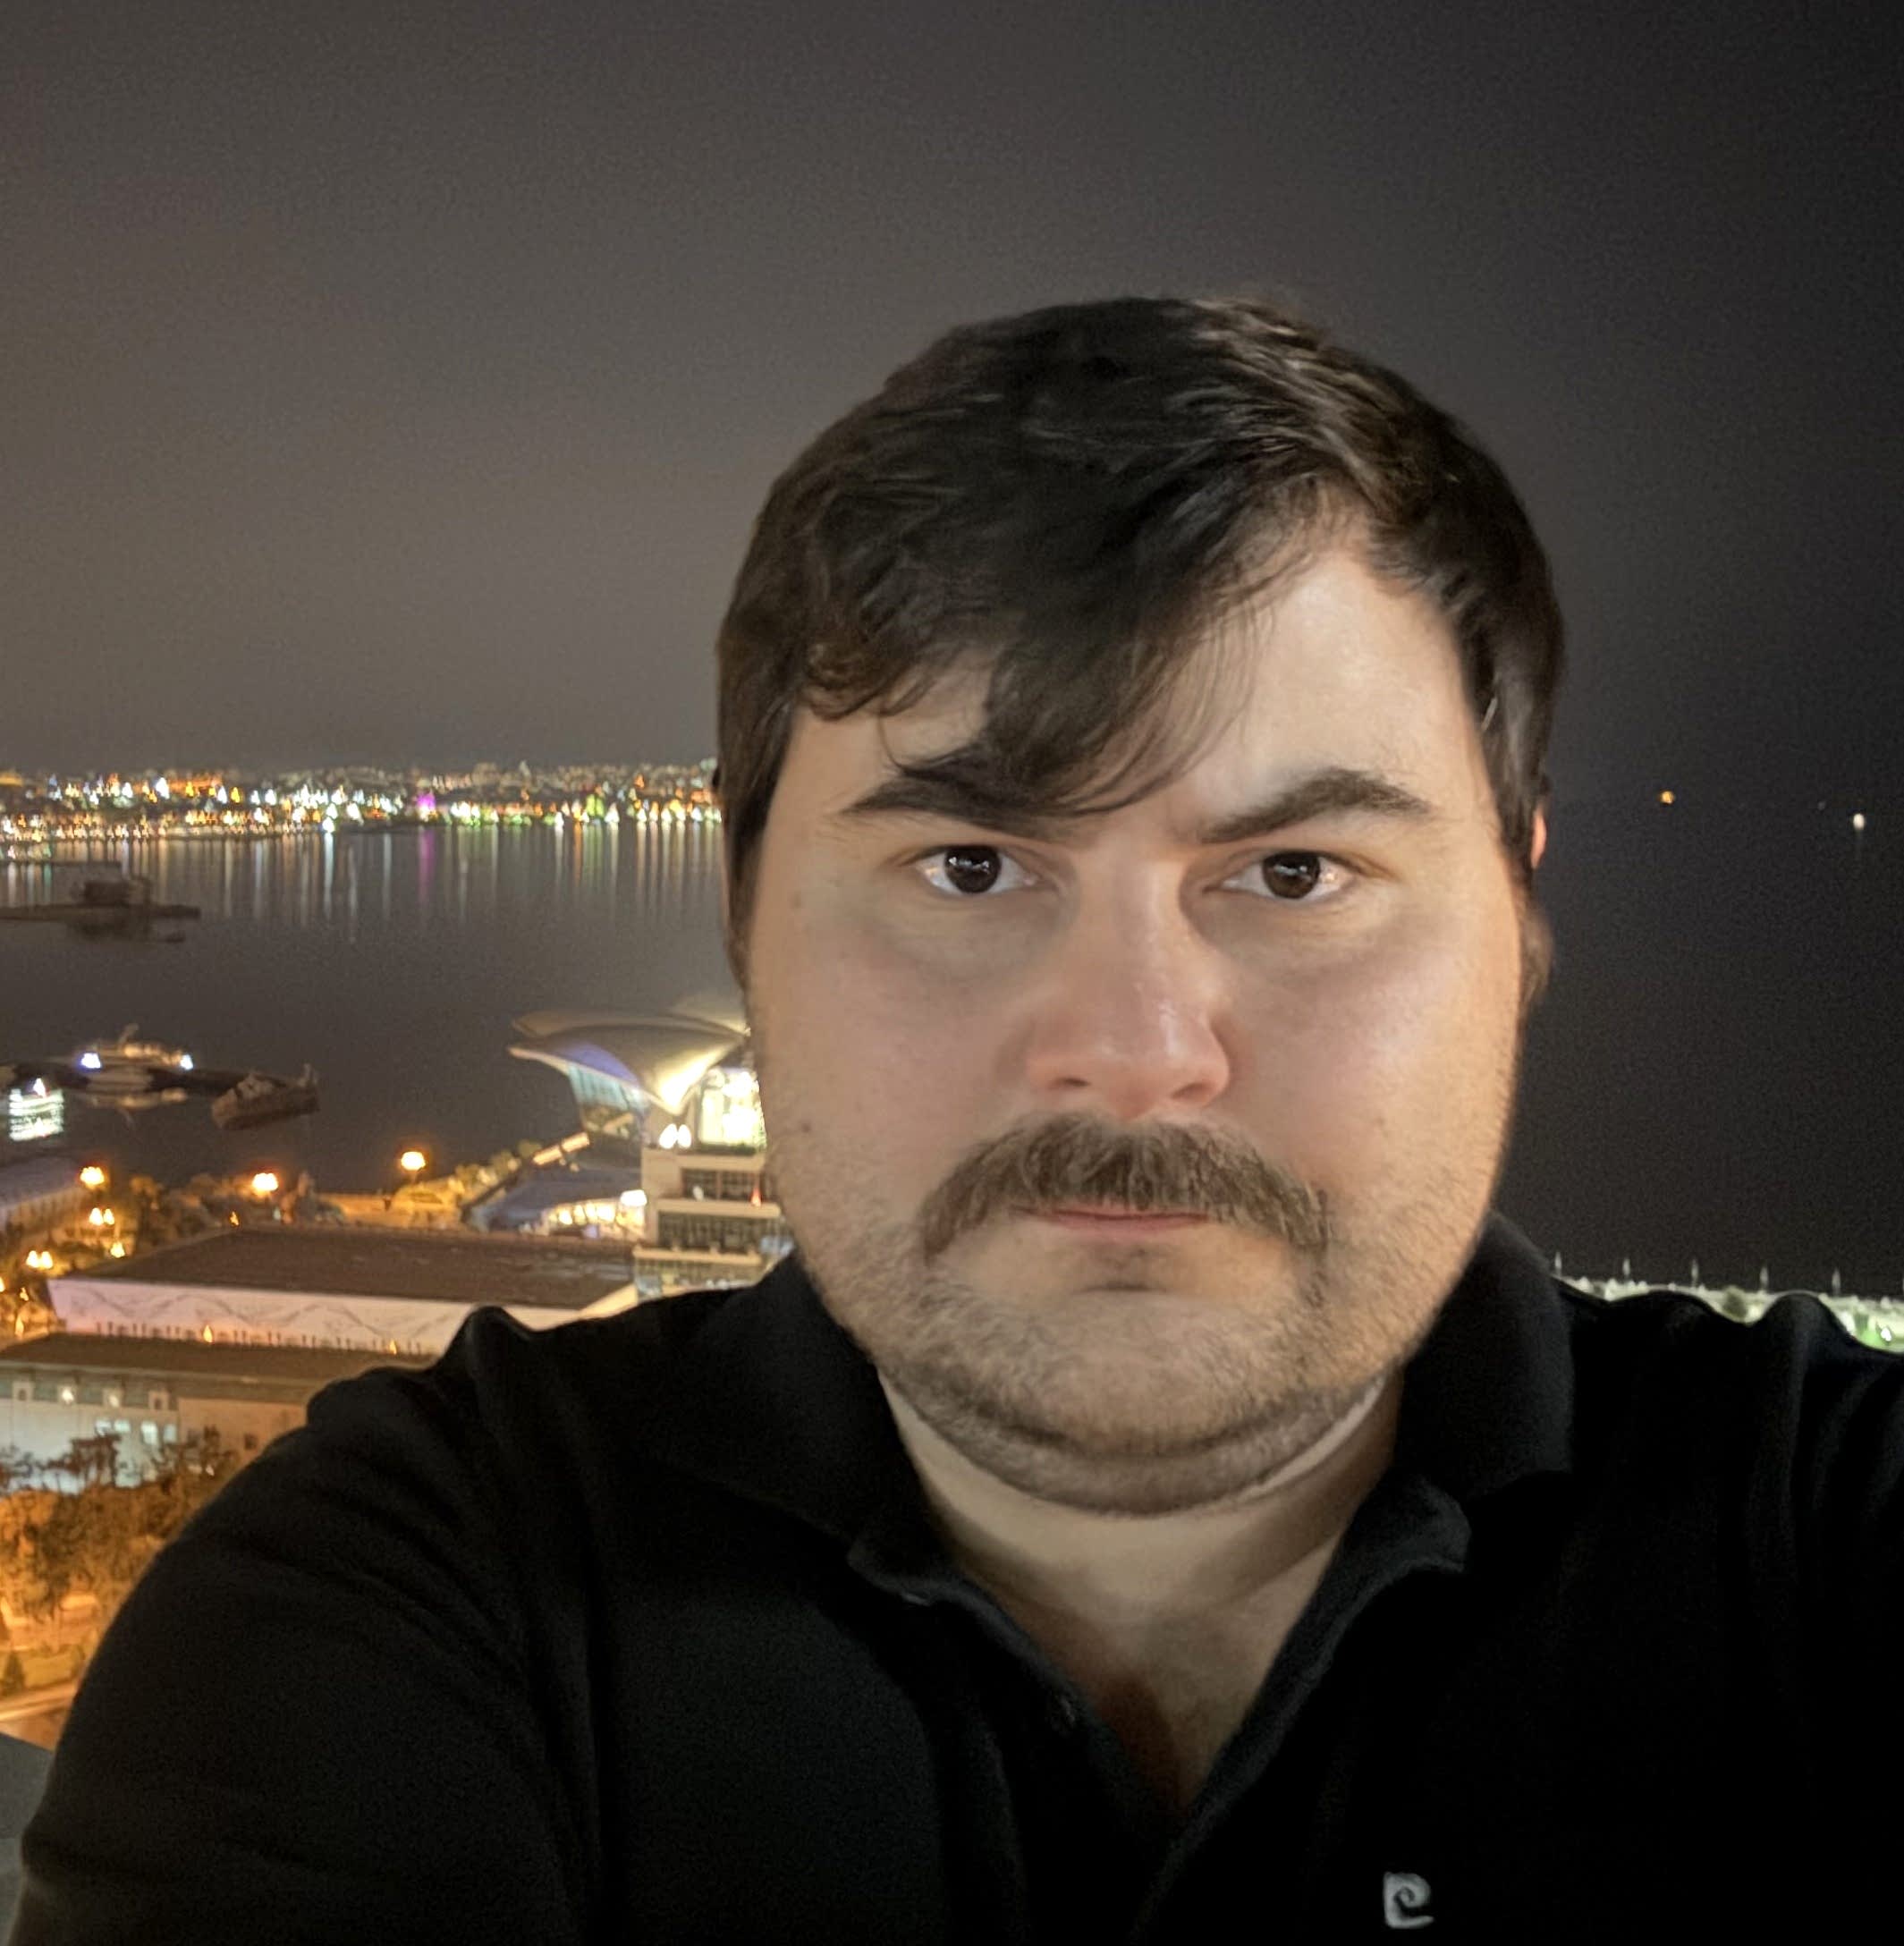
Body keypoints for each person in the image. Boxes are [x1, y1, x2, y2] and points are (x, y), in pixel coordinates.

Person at [13, 296, 1899, 1942]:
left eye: (1296, 872)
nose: (1136, 1050)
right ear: (745, 914)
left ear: (1518, 910)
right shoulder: (403, 1612)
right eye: (974, 865)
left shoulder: (1819, 1543)